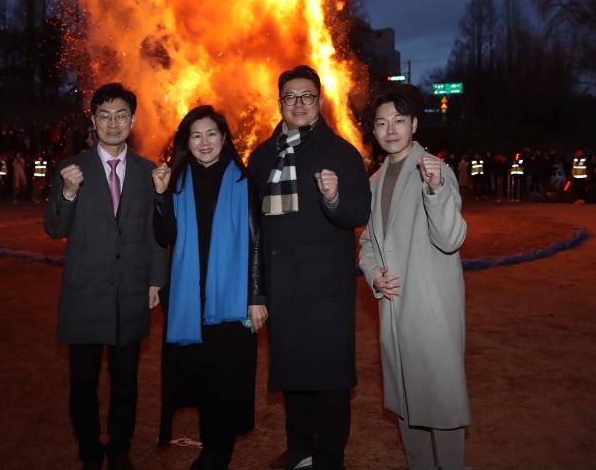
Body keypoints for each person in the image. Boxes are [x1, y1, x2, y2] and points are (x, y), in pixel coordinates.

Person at [247, 65, 371, 470]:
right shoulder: (263, 156)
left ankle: (329, 456)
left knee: (330, 378)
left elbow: (359, 210)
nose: (299, 104)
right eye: (291, 97)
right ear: (279, 102)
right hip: (282, 285)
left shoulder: (341, 152)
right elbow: (256, 229)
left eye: (307, 96)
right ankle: (299, 448)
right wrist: (258, 291)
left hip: (326, 290)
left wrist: (334, 198)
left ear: (319, 101)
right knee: (292, 374)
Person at [44, 82, 167, 470]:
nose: (112, 123)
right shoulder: (72, 169)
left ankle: (119, 448)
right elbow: (53, 228)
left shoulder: (149, 172)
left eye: (120, 116)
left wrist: (155, 279)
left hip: (130, 293)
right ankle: (89, 451)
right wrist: (67, 193)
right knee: (83, 384)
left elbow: (157, 234)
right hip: (85, 293)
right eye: (104, 115)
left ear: (133, 120)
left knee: (125, 383)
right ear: (93, 121)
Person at [358, 90, 470, 470]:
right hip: (393, 306)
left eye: (399, 121)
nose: (390, 130)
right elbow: (367, 243)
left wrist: (436, 192)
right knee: (407, 399)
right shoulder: (373, 181)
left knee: (440, 395)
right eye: (382, 122)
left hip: (430, 304)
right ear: (374, 129)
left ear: (414, 125)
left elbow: (451, 238)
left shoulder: (434, 169)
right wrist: (374, 275)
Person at [152, 105, 266, 470]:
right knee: (200, 376)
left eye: (211, 134)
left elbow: (256, 241)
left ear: (224, 138)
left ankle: (218, 452)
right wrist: (160, 196)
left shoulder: (242, 181)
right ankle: (211, 446)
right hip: (189, 297)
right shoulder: (178, 180)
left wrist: (256, 297)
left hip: (230, 299)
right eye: (196, 136)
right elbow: (164, 234)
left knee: (226, 377)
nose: (204, 142)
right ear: (187, 141)